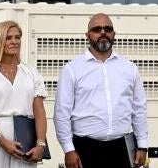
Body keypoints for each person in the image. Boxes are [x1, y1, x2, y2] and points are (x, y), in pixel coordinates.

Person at [54, 13, 148, 168]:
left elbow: (139, 109)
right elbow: (61, 113)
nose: (103, 32)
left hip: (122, 149)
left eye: (108, 29)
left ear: (114, 34)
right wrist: (68, 149)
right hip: (85, 149)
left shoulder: (129, 68)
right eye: (97, 29)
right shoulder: (72, 69)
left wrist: (142, 145)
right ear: (87, 35)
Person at [0, 20, 49, 166]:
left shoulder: (31, 72)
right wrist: (1, 140)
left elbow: (39, 111)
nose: (14, 41)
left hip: (25, 139)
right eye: (8, 38)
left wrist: (41, 144)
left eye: (17, 37)